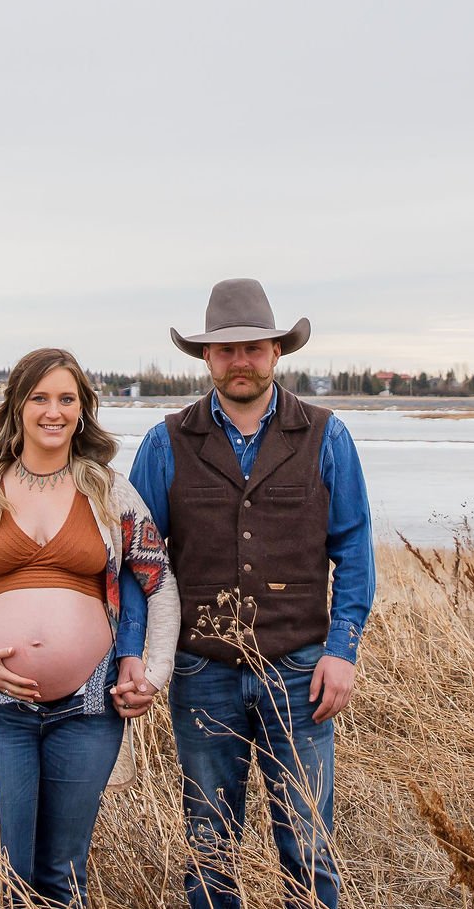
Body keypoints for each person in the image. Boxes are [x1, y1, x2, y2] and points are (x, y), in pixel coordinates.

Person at [116, 279, 375, 909]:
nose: (240, 361)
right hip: (202, 670)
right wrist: (132, 652)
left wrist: (341, 650)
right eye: (226, 351)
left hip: (301, 671)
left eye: (253, 348)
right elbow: (134, 563)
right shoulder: (166, 441)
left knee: (309, 847)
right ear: (205, 357)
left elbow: (355, 551)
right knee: (209, 850)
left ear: (277, 352)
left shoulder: (326, 436)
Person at [0, 347, 179, 906]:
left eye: (67, 399)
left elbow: (159, 583)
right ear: (17, 405)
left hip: (88, 710)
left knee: (61, 881)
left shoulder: (108, 491)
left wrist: (155, 672)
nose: (53, 411)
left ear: (83, 410)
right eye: (40, 397)